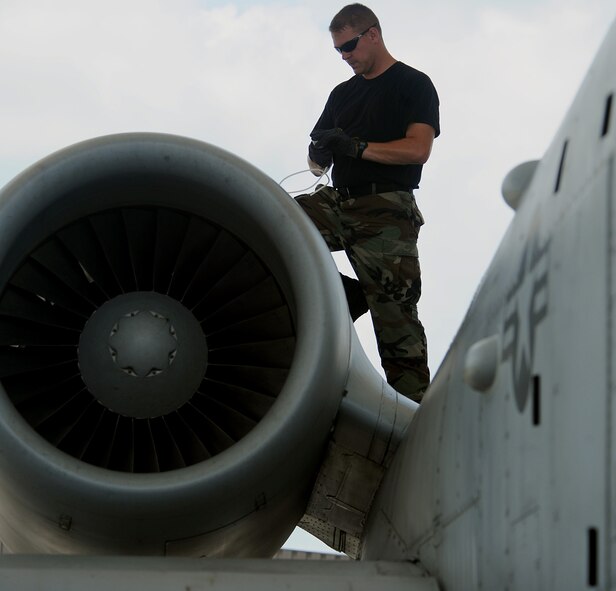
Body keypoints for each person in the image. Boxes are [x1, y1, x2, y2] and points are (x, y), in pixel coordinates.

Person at [295, 3, 440, 403]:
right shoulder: (342, 94)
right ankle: (342, 292)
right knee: (268, 221)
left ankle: (413, 419)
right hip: (337, 202)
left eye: (350, 46)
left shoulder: (412, 83)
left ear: (372, 34)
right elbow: (313, 165)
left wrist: (356, 147)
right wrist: (319, 153)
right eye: (339, 51)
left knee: (396, 326)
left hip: (386, 213)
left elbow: (418, 150)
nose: (346, 57)